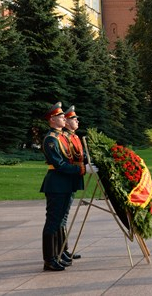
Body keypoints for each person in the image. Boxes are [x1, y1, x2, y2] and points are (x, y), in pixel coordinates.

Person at [40, 102, 85, 271]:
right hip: (56, 184)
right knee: (53, 222)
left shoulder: (62, 137)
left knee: (60, 220)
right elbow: (58, 164)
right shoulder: (50, 139)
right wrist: (79, 169)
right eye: (60, 117)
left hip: (64, 184)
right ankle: (49, 259)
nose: (63, 119)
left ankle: (59, 253)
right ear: (52, 119)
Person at [60, 105, 88, 260]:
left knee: (64, 216)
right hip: (68, 178)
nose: (77, 120)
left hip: (73, 179)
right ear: (66, 122)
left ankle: (63, 250)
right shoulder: (65, 137)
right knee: (62, 217)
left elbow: (80, 156)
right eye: (73, 118)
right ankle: (61, 251)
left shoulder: (75, 137)